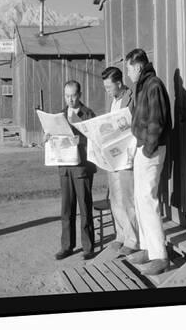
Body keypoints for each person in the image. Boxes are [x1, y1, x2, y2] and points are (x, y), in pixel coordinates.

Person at [125, 48, 172, 276]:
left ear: (137, 66)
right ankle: (146, 248)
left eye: (128, 69)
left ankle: (160, 257)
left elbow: (157, 121)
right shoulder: (144, 85)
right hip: (143, 148)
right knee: (140, 199)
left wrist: (148, 149)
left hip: (150, 150)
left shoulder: (153, 85)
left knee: (148, 198)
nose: (128, 74)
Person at [47, 80, 97, 261]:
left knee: (84, 207)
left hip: (82, 168)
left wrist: (80, 141)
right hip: (65, 167)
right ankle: (66, 246)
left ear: (80, 95)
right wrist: (48, 136)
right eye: (67, 96)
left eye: (73, 96)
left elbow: (95, 139)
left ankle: (88, 247)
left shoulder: (88, 114)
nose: (70, 100)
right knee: (66, 209)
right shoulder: (59, 115)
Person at [102, 66, 139, 255]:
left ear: (119, 83)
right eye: (105, 88)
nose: (107, 91)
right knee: (114, 198)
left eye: (109, 87)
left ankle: (133, 240)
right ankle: (120, 235)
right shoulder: (114, 101)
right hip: (112, 156)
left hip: (126, 156)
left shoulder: (131, 97)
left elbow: (133, 125)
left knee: (127, 199)